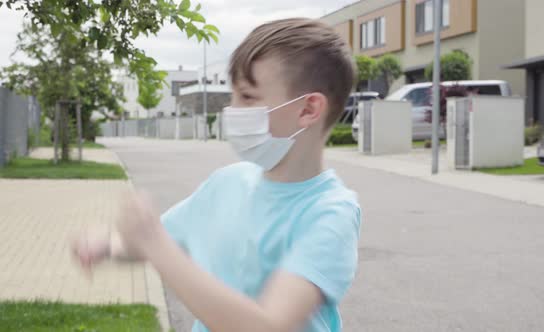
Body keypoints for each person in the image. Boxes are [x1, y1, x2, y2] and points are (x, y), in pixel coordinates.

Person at [71, 18, 361, 332]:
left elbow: (267, 326)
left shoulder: (331, 214)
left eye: (248, 97)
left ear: (308, 109)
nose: (232, 110)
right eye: (233, 96)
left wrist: (155, 245)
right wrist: (109, 246)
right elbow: (159, 240)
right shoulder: (228, 183)